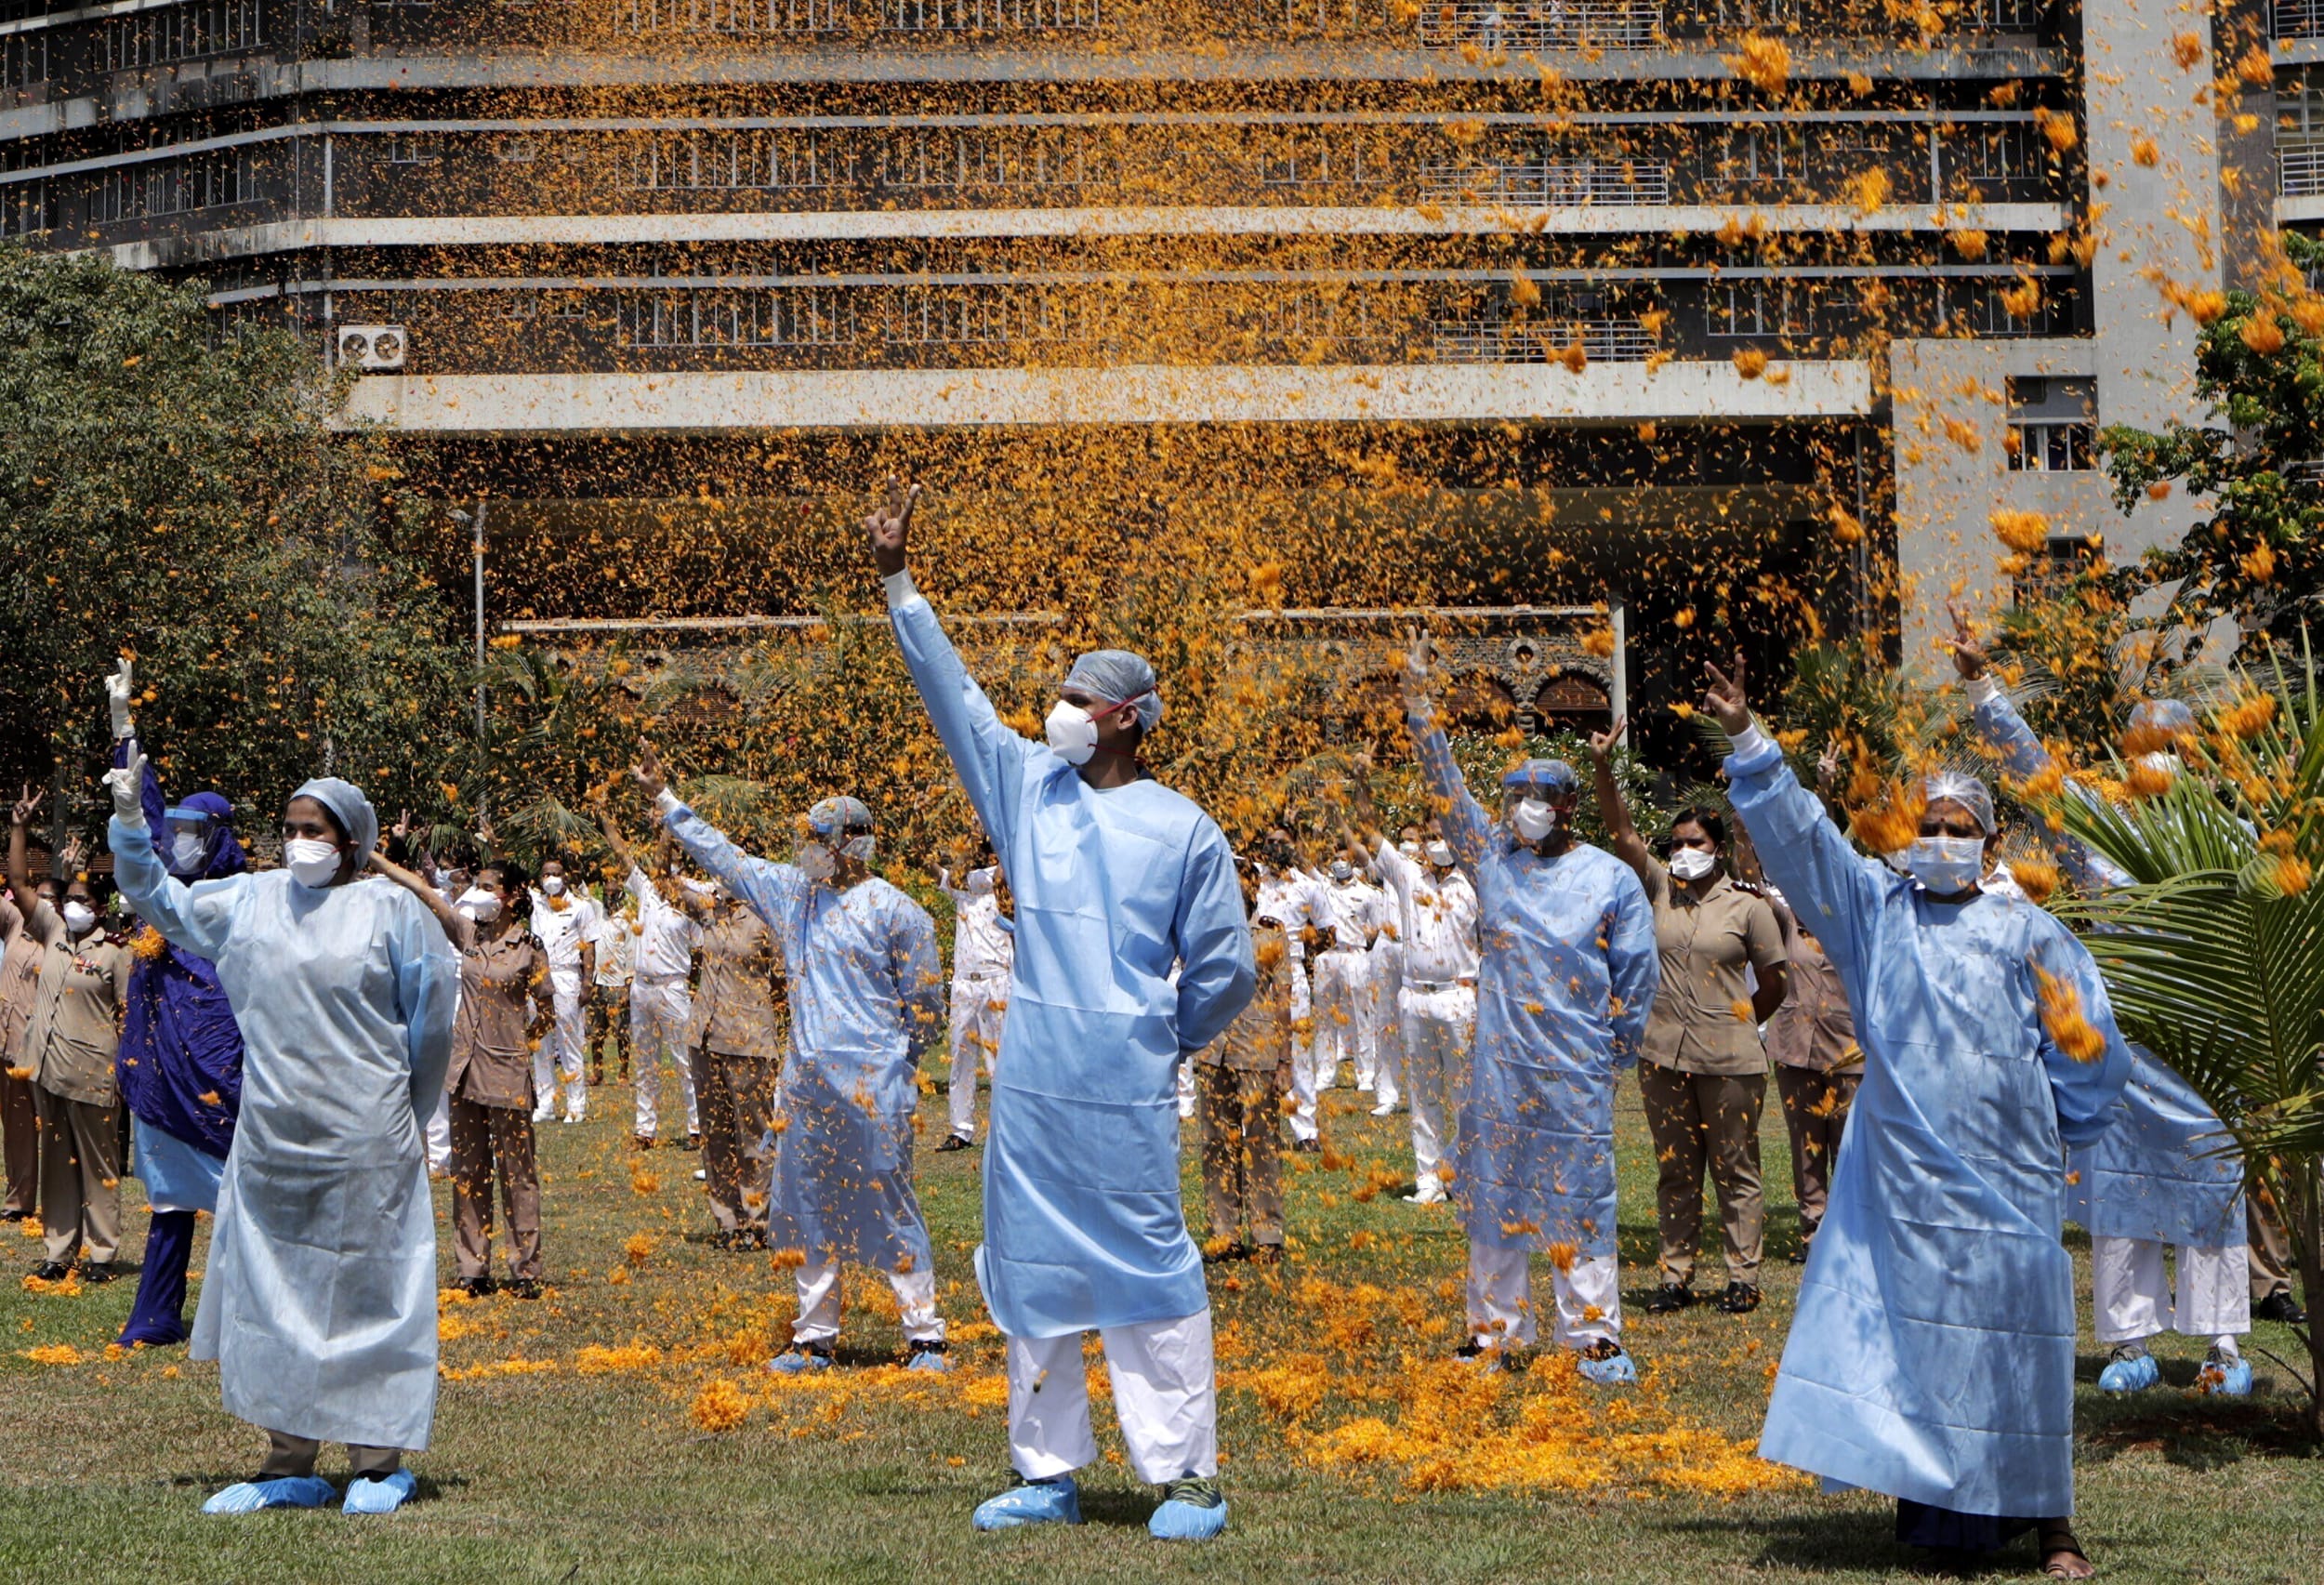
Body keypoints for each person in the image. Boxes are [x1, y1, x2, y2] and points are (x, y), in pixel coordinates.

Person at [871, 476, 1255, 1540]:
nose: (1062, 709)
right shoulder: (1024, 787)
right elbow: (950, 693)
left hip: (1126, 1087)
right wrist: (899, 577)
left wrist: (1157, 1035)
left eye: (1082, 698)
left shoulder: (1183, 828)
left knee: (1147, 1264)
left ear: (1126, 715)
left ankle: (1185, 1475)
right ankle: (1046, 1470)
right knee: (1030, 1263)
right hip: (1033, 1082)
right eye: (1063, 694)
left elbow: (1226, 966)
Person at [1701, 647, 2130, 1578]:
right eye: (1929, 823)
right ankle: (1943, 1525)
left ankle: (2052, 1523)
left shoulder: (2032, 930)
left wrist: (2072, 1133)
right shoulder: (1874, 911)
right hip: (1906, 1180)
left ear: (1990, 836)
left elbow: (2087, 1045)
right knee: (1925, 1347)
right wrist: (1748, 737)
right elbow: (1806, 840)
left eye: (1957, 825)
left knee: (2023, 1344)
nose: (1939, 837)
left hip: (2012, 1177)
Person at [107, 750, 456, 1516]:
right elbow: (158, 898)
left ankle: (376, 1460)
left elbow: (431, 1024)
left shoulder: (393, 913)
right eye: (292, 827)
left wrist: (408, 1110)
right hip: (271, 1141)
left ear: (352, 840)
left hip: (368, 1137)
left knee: (374, 1286)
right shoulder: (250, 901)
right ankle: (288, 1455)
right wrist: (132, 821)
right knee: (273, 1292)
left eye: (316, 829)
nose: (301, 840)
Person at [1949, 614, 2253, 1394]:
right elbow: (2031, 766)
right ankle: (2128, 1344)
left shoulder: (2236, 836)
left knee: (2213, 1192)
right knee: (2119, 1197)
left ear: (2194, 758)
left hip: (2207, 1058)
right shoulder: (2097, 831)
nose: (2159, 763)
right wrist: (1983, 685)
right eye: (2144, 750)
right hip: (2126, 1056)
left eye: (2173, 751)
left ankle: (2223, 1346)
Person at [629, 748, 949, 1367]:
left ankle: (926, 1334)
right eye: (805, 838)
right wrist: (667, 801)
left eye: (817, 838)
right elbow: (724, 855)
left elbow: (926, 1007)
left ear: (852, 844)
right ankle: (813, 1336)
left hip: (874, 1087)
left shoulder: (899, 913)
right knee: (805, 1206)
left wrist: (892, 1064)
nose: (807, 848)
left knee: (889, 1202)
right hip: (804, 1089)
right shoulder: (791, 895)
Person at [1399, 631, 1657, 1381]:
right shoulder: (1492, 863)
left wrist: (1616, 1052)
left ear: (1569, 804)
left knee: (1582, 1193)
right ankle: (1491, 1329)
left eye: (1539, 797)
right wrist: (1421, 704)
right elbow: (1447, 789)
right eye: (1516, 797)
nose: (1525, 809)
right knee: (1495, 1193)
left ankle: (1595, 1333)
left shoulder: (1610, 879)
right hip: (1501, 1066)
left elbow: (1636, 977)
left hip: (1577, 1065)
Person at [1590, 732, 1788, 1316]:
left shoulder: (1748, 908)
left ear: (1718, 849)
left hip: (1730, 1060)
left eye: (1694, 842)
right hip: (1663, 1056)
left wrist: (1747, 1022)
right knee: (1676, 1172)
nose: (1682, 852)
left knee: (1736, 1170)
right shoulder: (1660, 891)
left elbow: (1775, 979)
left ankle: (1741, 1277)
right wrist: (1604, 767)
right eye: (1676, 843)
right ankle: (1675, 1275)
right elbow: (1622, 834)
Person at [103, 657, 250, 1343]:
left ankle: (243, 1314)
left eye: (197, 832)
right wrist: (122, 724)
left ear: (220, 837)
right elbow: (141, 806)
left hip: (222, 1071)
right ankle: (157, 1314)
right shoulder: (161, 888)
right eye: (179, 831)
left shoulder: (241, 900)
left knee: (238, 1201)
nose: (180, 841)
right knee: (169, 1202)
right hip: (162, 1072)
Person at [8, 790, 132, 1284]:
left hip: (94, 1074)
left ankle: (102, 1253)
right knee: (57, 1162)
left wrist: (126, 1075)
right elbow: (18, 883)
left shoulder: (114, 954)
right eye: (70, 899)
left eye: (83, 900)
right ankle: (59, 1251)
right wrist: (18, 827)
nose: (73, 905)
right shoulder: (53, 931)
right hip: (49, 1070)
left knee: (99, 1165)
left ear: (100, 910)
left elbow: (128, 1016)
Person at [435, 863, 553, 1299]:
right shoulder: (469, 936)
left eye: (488, 887)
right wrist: (378, 856)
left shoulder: (529, 947)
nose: (478, 893)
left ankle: (526, 1268)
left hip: (506, 1073)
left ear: (510, 896)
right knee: (468, 1171)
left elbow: (548, 1011)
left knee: (517, 1173)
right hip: (464, 1070)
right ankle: (472, 1266)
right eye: (477, 886)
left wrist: (519, 1046)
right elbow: (431, 900)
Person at [1350, 811, 1479, 1208]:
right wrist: (1359, 780)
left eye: (1445, 835)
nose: (1437, 843)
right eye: (1432, 836)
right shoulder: (1408, 877)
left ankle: (1466, 1177)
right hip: (1414, 997)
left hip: (1457, 996)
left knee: (1465, 1094)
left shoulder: (1474, 885)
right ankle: (1428, 1179)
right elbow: (1370, 833)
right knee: (1423, 1094)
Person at [1195, 873, 1293, 1264]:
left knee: (1261, 1144)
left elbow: (1284, 996)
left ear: (1255, 889)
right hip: (1213, 1048)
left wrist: (1286, 1060)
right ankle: (1225, 1234)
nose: (1237, 891)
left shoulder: (1271, 933)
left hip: (1257, 1049)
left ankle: (1267, 1233)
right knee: (1216, 1144)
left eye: (1244, 883)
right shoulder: (1205, 931)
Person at [593, 807, 703, 1152]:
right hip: (641, 987)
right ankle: (646, 1129)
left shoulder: (690, 903)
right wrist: (605, 818)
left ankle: (697, 1128)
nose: (659, 872)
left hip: (672, 987)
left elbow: (700, 953)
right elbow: (622, 854)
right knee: (646, 1060)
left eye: (666, 867)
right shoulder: (648, 893)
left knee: (685, 1060)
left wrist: (668, 827)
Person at [1760, 890, 1861, 1262]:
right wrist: (1743, 832)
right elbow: (1750, 879)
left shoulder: (1855, 927)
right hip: (1795, 1051)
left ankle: (1851, 1232)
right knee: (1806, 1146)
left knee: (1848, 1147)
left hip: (1848, 1053)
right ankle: (1813, 1232)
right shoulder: (1788, 923)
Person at [685, 879, 784, 1249]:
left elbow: (784, 980)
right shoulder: (710, 912)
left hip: (749, 1041)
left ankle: (757, 1221)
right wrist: (665, 830)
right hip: (704, 1037)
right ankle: (727, 1220)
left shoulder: (765, 917)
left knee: (755, 1135)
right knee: (715, 1135)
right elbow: (663, 882)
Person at [1252, 831, 1335, 1154]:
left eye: (1282, 842)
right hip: (1257, 973)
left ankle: (1305, 1131)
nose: (1275, 847)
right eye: (1269, 841)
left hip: (1293, 972)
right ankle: (1255, 1125)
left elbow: (1329, 932)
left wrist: (1300, 953)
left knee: (1297, 1053)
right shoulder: (1255, 880)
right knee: (1257, 1045)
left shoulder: (1308, 886)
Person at [937, 837, 1013, 1151]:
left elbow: (1002, 875)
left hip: (998, 978)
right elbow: (940, 873)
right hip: (965, 981)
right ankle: (961, 1128)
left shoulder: (1007, 888)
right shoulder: (963, 888)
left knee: (1000, 1060)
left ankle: (1004, 1129)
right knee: (961, 1057)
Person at [527, 856, 600, 1126]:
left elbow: (589, 945)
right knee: (540, 1043)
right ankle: (545, 1105)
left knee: (570, 1042)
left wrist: (587, 982)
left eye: (556, 873)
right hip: (540, 976)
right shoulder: (536, 904)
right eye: (546, 874)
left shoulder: (581, 907)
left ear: (565, 877)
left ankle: (576, 1105)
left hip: (568, 975)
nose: (551, 879)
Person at [1312, 856, 1383, 1113]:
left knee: (1362, 1014)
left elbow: (1376, 929)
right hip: (1328, 954)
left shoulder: (1369, 894)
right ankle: (1325, 1072)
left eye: (1344, 857)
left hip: (1355, 954)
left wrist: (1365, 936)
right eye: (1334, 857)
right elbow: (1304, 863)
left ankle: (1366, 1073)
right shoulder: (1323, 887)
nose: (1339, 862)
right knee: (1324, 1016)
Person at [1, 869, 48, 1223]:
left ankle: (63, 1200)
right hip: (8, 1050)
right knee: (16, 1130)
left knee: (55, 1130)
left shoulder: (60, 940)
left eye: (50, 898)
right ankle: (19, 1200)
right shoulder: (17, 926)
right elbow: (14, 881)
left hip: (44, 1053)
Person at [1363, 847, 1406, 1117]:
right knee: (1385, 1022)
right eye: (1403, 841)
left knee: (1418, 1024)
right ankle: (1387, 1094)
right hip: (1387, 946)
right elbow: (1362, 848)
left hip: (1417, 947)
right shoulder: (1394, 869)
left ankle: (1423, 1093)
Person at [587, 883, 636, 1088]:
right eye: (606, 893)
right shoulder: (599, 913)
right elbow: (584, 894)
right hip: (599, 982)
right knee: (597, 1032)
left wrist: (628, 983)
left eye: (613, 894)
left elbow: (632, 952)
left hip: (618, 984)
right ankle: (597, 1073)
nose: (609, 898)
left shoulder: (628, 920)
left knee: (622, 1032)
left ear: (621, 894)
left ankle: (623, 1073)